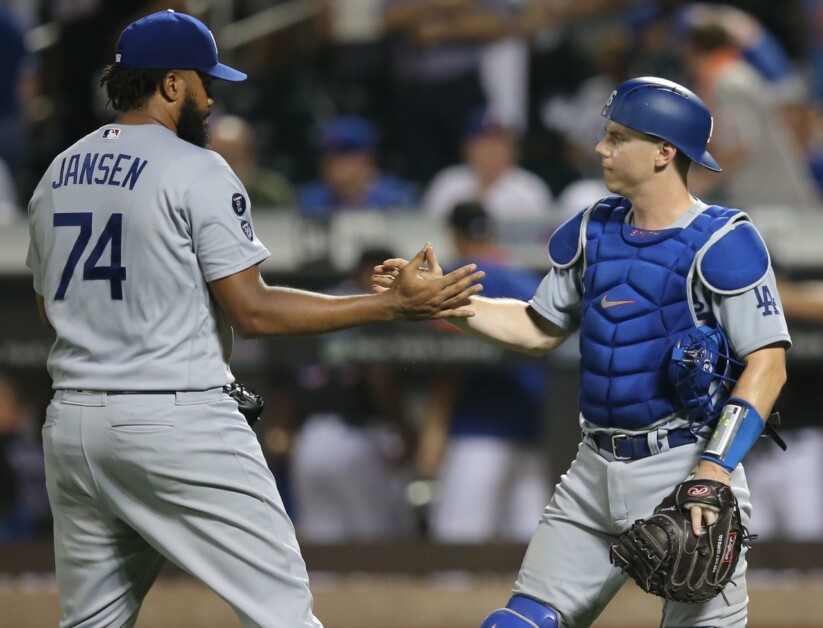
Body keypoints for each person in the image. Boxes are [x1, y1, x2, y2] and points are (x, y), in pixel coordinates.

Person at [25, 10, 484, 628]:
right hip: (173, 418)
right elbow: (255, 311)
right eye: (203, 82)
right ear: (170, 84)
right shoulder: (197, 167)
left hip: (73, 424)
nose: (211, 97)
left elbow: (49, 306)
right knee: (284, 616)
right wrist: (389, 305)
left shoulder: (58, 171)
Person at [374, 76, 790, 627]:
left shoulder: (723, 239)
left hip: (685, 470)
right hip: (593, 469)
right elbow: (537, 326)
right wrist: (447, 303)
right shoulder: (594, 228)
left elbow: (768, 362)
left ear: (665, 152)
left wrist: (714, 470)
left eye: (618, 137)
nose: (602, 148)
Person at [418, 202, 552, 543]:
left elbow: (453, 365)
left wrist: (434, 430)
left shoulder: (458, 277)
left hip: (478, 431)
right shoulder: (524, 277)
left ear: (455, 234)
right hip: (535, 432)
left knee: (457, 549)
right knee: (527, 555)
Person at [274, 247, 417, 543]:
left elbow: (284, 373)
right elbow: (379, 380)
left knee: (322, 542)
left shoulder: (317, 304)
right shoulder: (375, 307)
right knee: (374, 539)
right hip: (357, 437)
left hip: (309, 439)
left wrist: (284, 429)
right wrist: (406, 431)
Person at [422, 105, 555, 221]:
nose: (494, 150)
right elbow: (428, 236)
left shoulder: (530, 189)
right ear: (468, 147)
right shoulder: (447, 184)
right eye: (486, 142)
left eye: (500, 142)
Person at [297, 115, 418, 218]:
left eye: (344, 152)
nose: (334, 161)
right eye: (328, 152)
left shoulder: (395, 198)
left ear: (370, 158)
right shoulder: (311, 199)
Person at [209, 114, 297, 211]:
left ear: (250, 155)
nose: (228, 164)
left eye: (235, 156)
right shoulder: (198, 193)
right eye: (222, 155)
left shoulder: (274, 192)